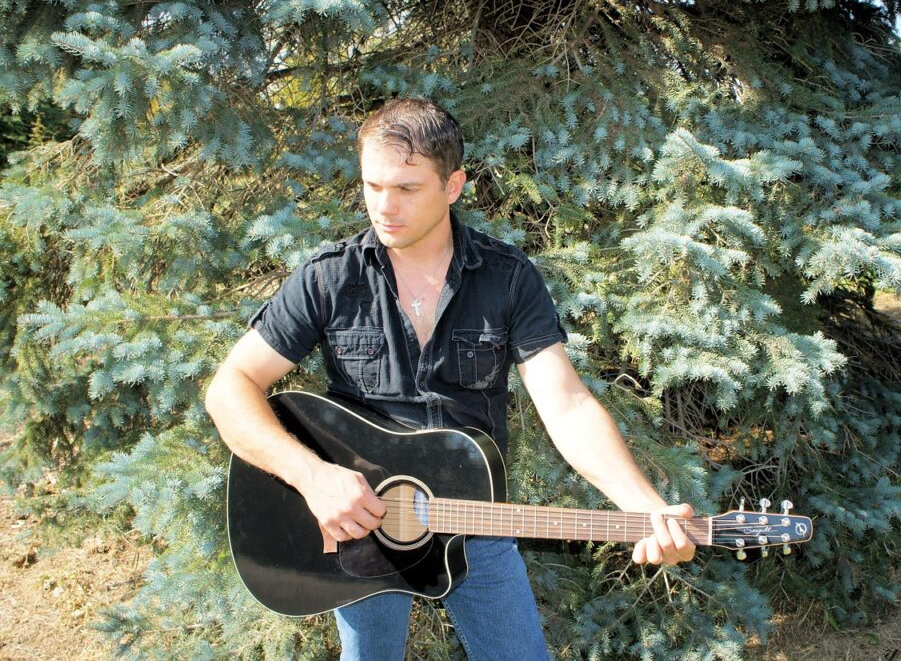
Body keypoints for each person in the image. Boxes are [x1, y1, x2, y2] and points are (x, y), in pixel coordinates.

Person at [205, 97, 695, 660]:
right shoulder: (329, 278)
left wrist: (641, 507)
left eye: (407, 189)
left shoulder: (507, 279)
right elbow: (230, 387)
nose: (384, 208)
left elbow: (567, 405)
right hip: (361, 520)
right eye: (372, 186)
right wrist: (313, 478)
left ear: (453, 185)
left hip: (475, 522)